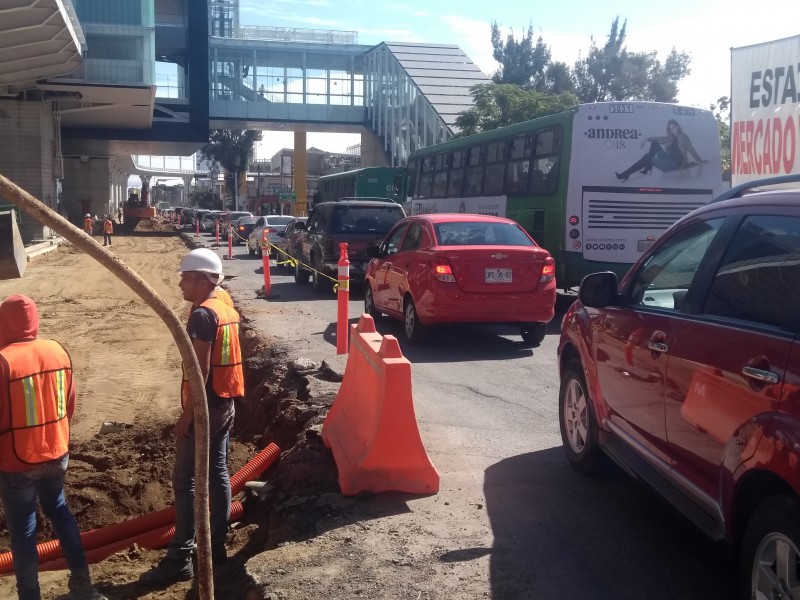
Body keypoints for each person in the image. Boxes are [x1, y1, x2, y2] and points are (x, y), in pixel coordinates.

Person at [140, 248, 243, 585]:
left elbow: (201, 368)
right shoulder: (223, 306)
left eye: (186, 277)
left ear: (202, 280)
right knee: (218, 471)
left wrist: (189, 414)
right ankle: (215, 546)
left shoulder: (202, 316)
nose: (181, 283)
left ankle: (181, 555)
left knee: (185, 480)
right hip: (225, 400)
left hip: (207, 406)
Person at [0, 295, 107, 600]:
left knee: (23, 532)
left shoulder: (4, 360)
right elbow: (69, 405)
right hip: (56, 452)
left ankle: (29, 596)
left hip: (17, 459)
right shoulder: (58, 350)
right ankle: (84, 585)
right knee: (60, 511)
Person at [615, 119, 706, 182]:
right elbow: (661, 139)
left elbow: (691, 148)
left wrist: (698, 160)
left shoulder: (683, 137)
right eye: (670, 128)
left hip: (674, 165)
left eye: (673, 127)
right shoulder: (671, 138)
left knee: (647, 157)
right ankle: (648, 167)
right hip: (668, 159)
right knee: (654, 143)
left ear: (677, 127)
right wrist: (648, 139)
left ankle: (625, 174)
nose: (672, 130)